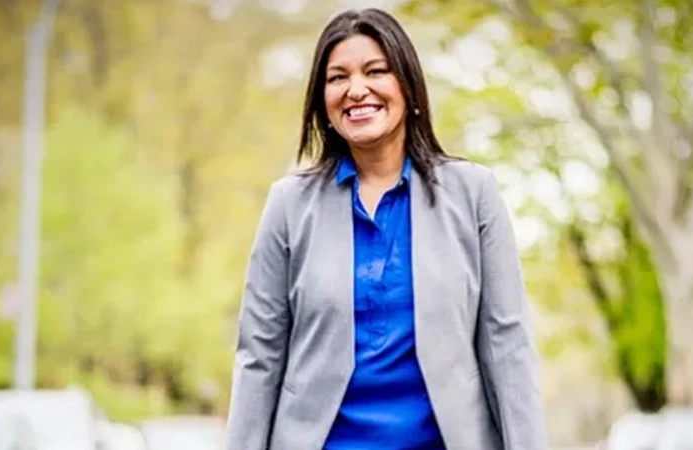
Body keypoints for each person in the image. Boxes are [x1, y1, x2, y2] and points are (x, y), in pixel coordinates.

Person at [223, 7, 546, 450]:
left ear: (408, 88)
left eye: (376, 71)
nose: (357, 89)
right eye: (337, 78)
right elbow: (259, 357)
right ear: (322, 100)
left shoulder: (473, 194)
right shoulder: (288, 205)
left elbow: (508, 347)